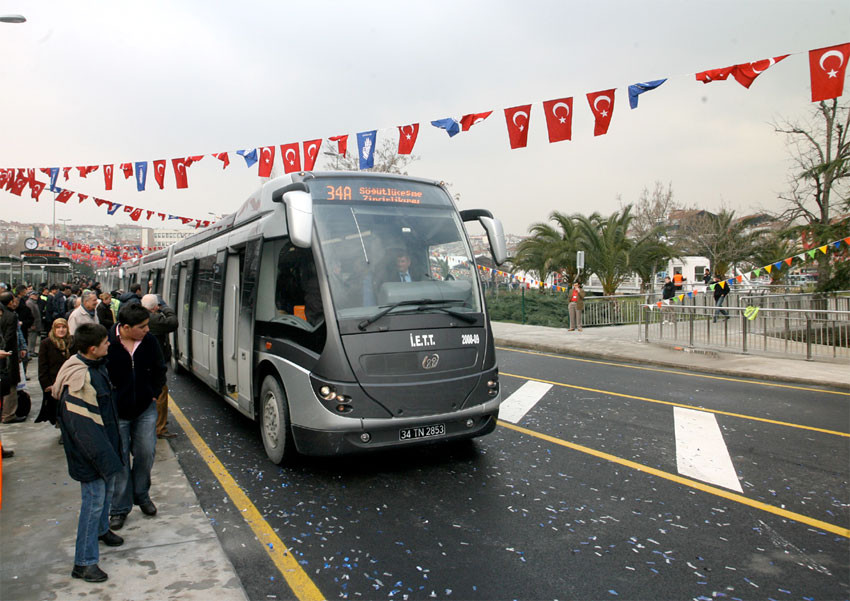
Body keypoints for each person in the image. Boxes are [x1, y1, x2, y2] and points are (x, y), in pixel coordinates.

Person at [53, 323, 123, 583]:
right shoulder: (80, 378)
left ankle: (102, 531)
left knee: (102, 500)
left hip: (104, 449)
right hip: (93, 455)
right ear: (93, 349)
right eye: (105, 342)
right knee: (93, 504)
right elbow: (84, 430)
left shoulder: (92, 365)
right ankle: (84, 562)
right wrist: (105, 460)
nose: (109, 345)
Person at [107, 303, 167, 531]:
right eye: (141, 327)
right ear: (125, 328)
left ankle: (141, 495)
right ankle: (119, 508)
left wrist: (153, 393)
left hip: (144, 408)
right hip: (117, 411)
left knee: (145, 452)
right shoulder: (108, 342)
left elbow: (160, 369)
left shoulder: (149, 342)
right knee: (120, 460)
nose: (147, 330)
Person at [141, 294, 178, 439]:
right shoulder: (153, 319)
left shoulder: (141, 316)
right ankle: (159, 428)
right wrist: (167, 309)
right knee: (161, 393)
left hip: (146, 364)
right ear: (155, 306)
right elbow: (173, 323)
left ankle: (154, 422)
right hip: (153, 364)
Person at [34, 318, 74, 426]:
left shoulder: (72, 342)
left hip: (70, 382)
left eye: (64, 327)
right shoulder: (46, 343)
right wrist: (46, 385)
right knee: (57, 410)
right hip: (53, 382)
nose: (61, 330)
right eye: (58, 327)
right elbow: (42, 366)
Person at [0, 291, 23, 423]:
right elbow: (9, 337)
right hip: (8, 354)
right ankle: (9, 414)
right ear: (10, 302)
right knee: (11, 384)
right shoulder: (11, 316)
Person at [26, 291, 43, 356]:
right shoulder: (29, 303)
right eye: (34, 295)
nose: (36, 296)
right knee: (31, 338)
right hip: (33, 325)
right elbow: (31, 314)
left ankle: (32, 350)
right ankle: (30, 351)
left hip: (36, 323)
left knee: (34, 338)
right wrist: (32, 324)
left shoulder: (34, 303)